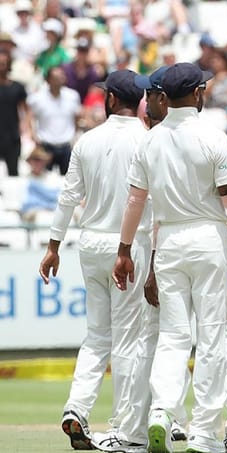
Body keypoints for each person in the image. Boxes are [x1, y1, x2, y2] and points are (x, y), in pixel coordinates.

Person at [111, 62, 227, 453]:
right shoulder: (212, 136)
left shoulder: (149, 141)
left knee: (173, 336)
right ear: (197, 93)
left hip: (168, 241)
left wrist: (124, 251)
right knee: (211, 336)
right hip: (208, 237)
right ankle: (204, 431)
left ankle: (161, 411)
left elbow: (135, 202)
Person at [38, 69, 151, 452]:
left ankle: (77, 407)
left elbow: (68, 196)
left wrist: (53, 246)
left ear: (112, 99)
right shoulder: (147, 139)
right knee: (128, 338)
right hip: (129, 246)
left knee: (97, 336)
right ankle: (122, 424)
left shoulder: (87, 140)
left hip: (91, 243)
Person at [27, 65, 81, 175]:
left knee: (68, 178)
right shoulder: (37, 98)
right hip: (46, 145)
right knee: (45, 179)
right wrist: (33, 134)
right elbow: (30, 116)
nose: (59, 80)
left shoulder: (72, 96)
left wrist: (75, 135)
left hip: (66, 145)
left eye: (61, 76)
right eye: (55, 77)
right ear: (48, 80)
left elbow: (76, 117)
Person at [0, 50, 28, 177]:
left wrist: (25, 126)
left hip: (12, 137)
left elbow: (25, 110)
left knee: (13, 175)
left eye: (3, 63)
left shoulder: (17, 87)